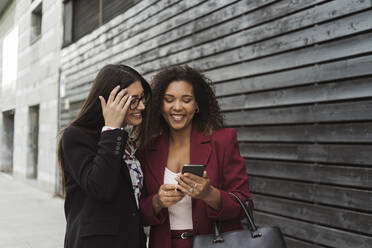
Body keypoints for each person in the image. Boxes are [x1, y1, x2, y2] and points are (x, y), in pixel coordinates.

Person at [139, 65, 251, 248]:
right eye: (169, 100)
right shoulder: (146, 149)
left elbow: (245, 204)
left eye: (186, 100)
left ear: (197, 104)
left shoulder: (222, 141)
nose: (177, 107)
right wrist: (157, 201)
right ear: (160, 104)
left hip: (214, 243)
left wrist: (209, 194)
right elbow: (137, 214)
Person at [57, 64, 151, 248]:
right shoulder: (76, 136)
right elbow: (100, 187)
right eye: (133, 100)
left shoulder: (129, 141)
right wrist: (112, 130)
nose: (142, 106)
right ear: (110, 101)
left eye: (142, 98)